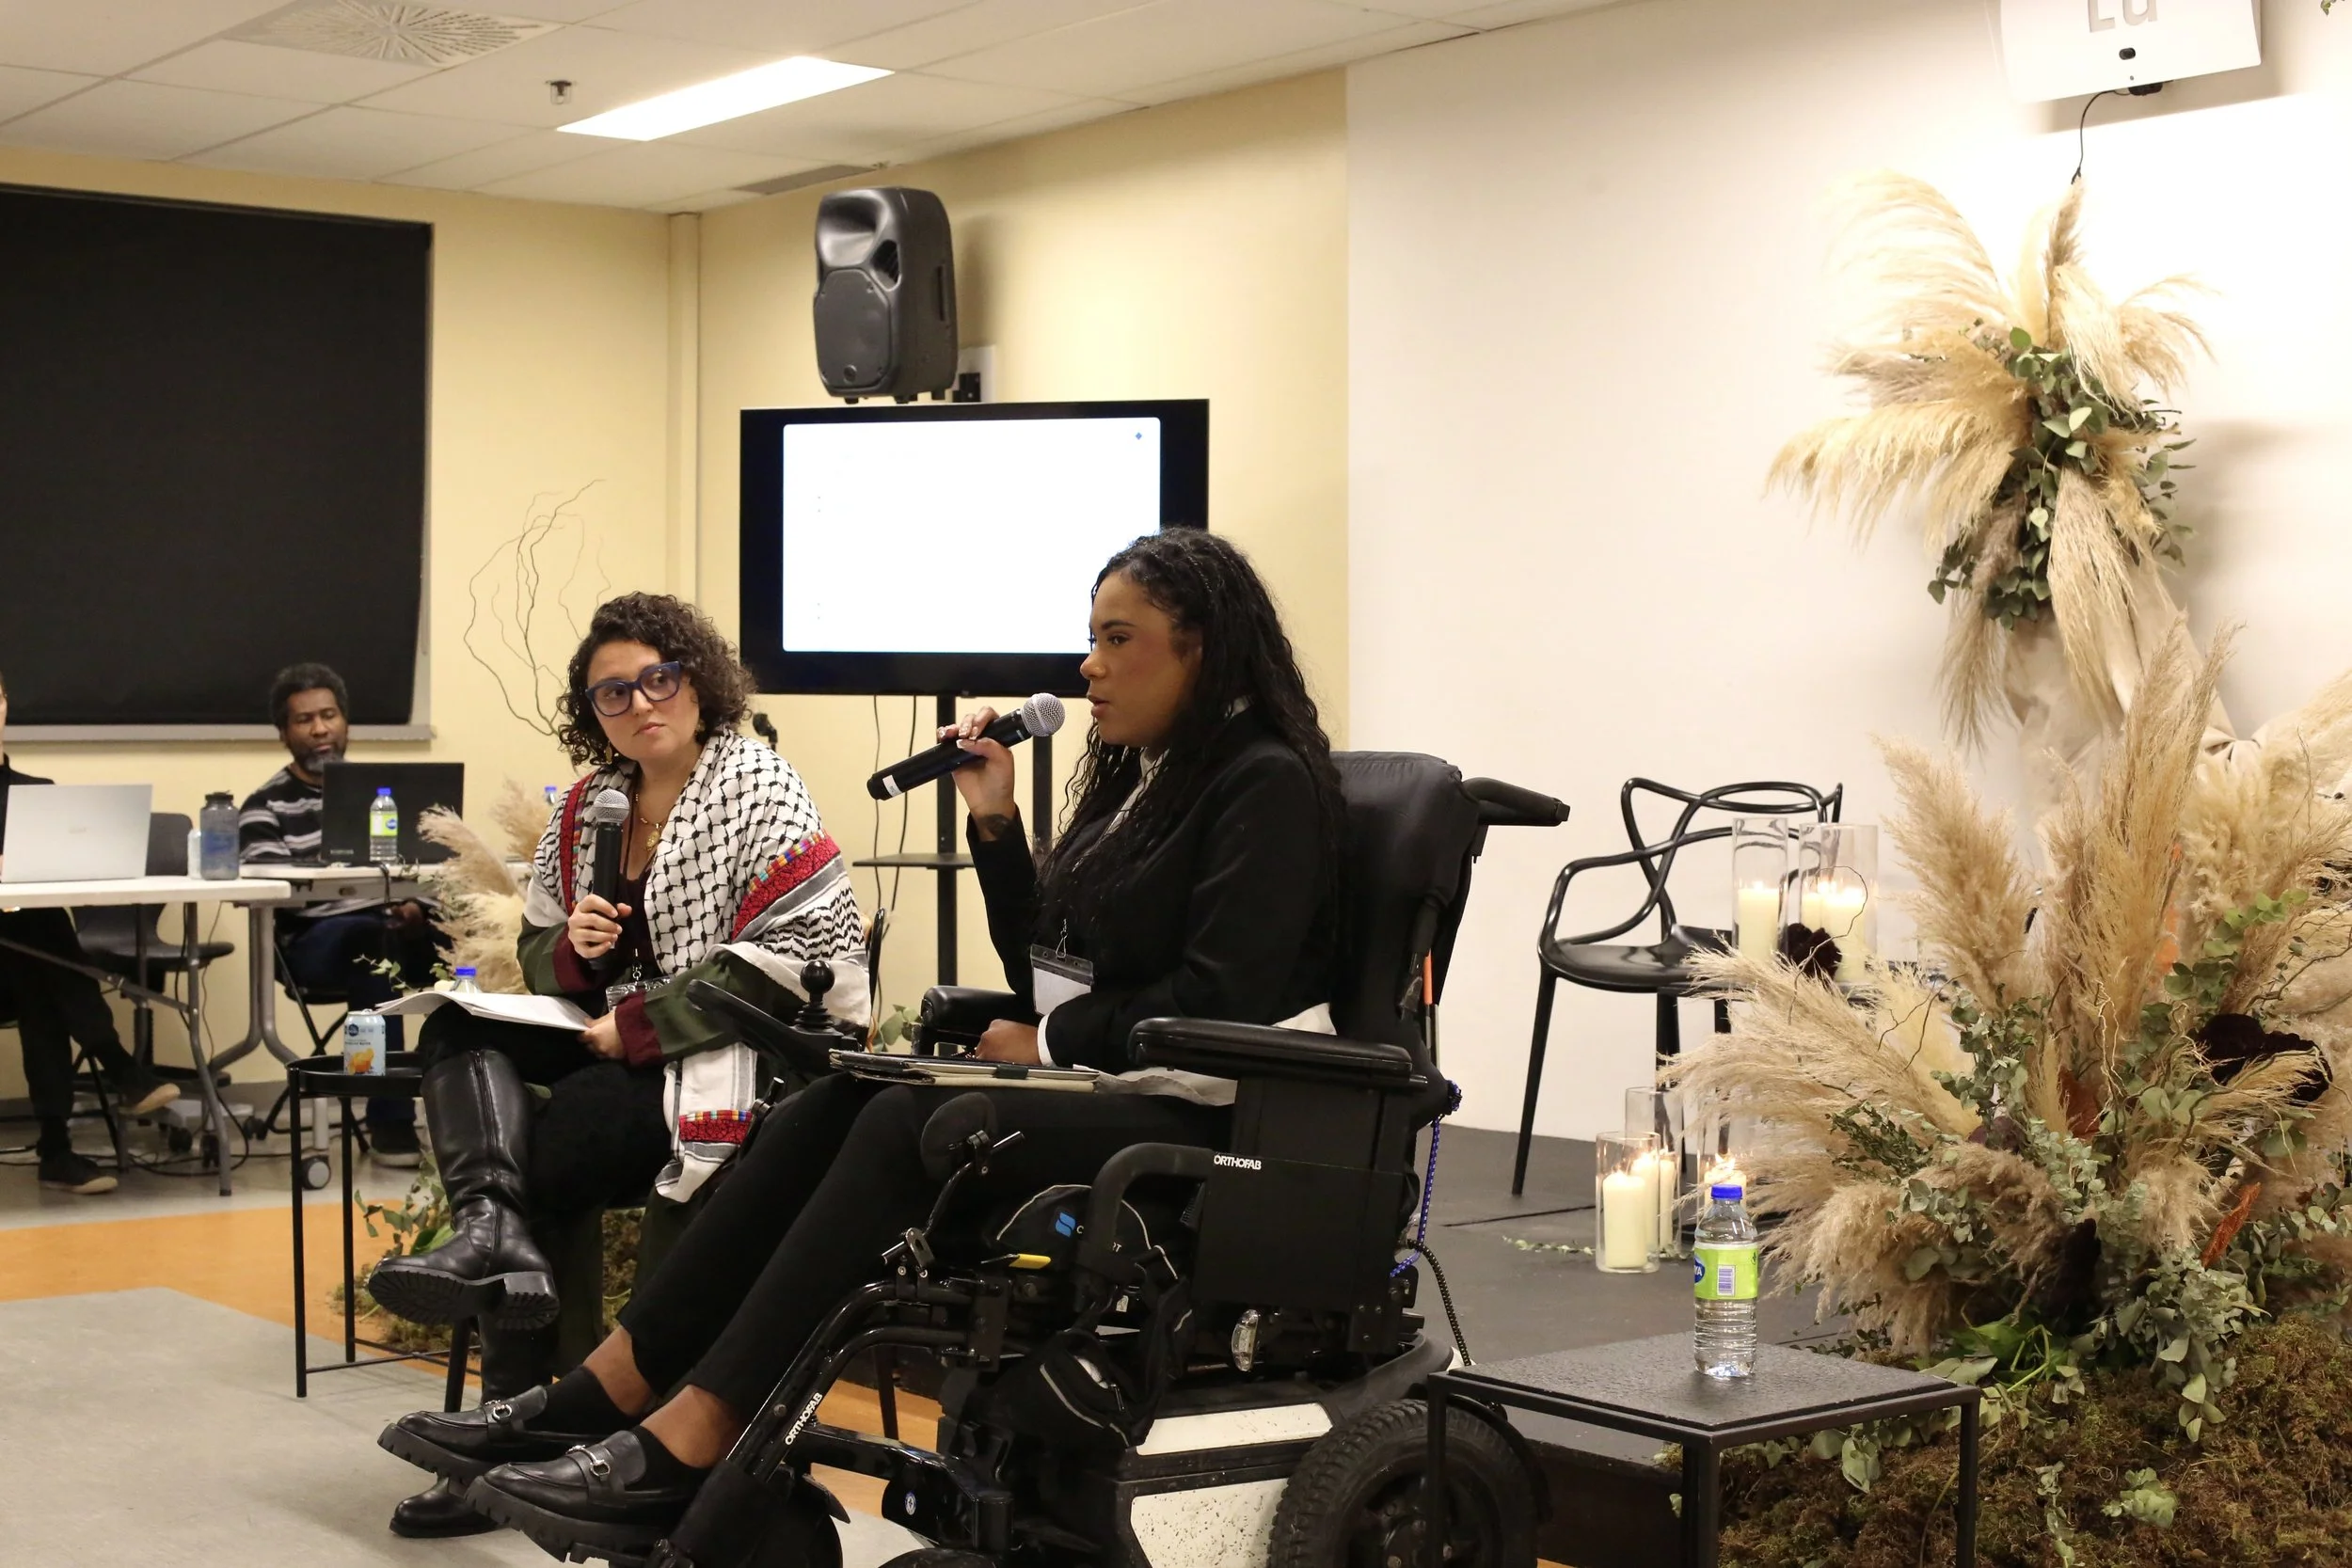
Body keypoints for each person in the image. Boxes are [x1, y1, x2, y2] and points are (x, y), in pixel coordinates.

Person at [384, 530, 1344, 1550]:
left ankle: (692, 1434)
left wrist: (1051, 1035)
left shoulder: (1264, 781)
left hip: (1202, 1106)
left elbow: (1216, 1000)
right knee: (835, 1096)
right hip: (1114, 1077)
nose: (1088, 665)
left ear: (1200, 646)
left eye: (1117, 638)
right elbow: (1048, 971)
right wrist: (994, 824)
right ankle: (601, 1390)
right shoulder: (1152, 781)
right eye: (1090, 637)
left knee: (900, 1121)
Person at [366, 593, 867, 1538]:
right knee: (453, 1029)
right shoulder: (594, 802)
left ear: (695, 679)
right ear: (590, 711)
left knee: (554, 1155)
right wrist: (580, 950)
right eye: (611, 693)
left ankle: (522, 1431)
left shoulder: (759, 787)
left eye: (657, 678)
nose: (640, 703)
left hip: (737, 1054)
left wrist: (635, 1026)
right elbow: (550, 955)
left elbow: (806, 960)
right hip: (618, 1038)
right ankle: (486, 1233)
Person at [238, 663, 438, 1164]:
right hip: (315, 944)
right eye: (305, 720)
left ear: (345, 721)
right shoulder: (265, 807)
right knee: (370, 943)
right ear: (285, 733)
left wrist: (418, 908)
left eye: (329, 715)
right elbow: (274, 890)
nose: (320, 728)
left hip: (395, 929)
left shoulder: (388, 797)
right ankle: (387, 1116)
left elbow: (434, 870)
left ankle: (472, 1099)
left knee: (470, 947)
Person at [0, 669, 179, 1195]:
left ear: (7, 705)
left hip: (22, 966)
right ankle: (118, 1070)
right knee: (42, 958)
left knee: (38, 966)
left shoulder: (39, 797)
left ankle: (60, 1149)